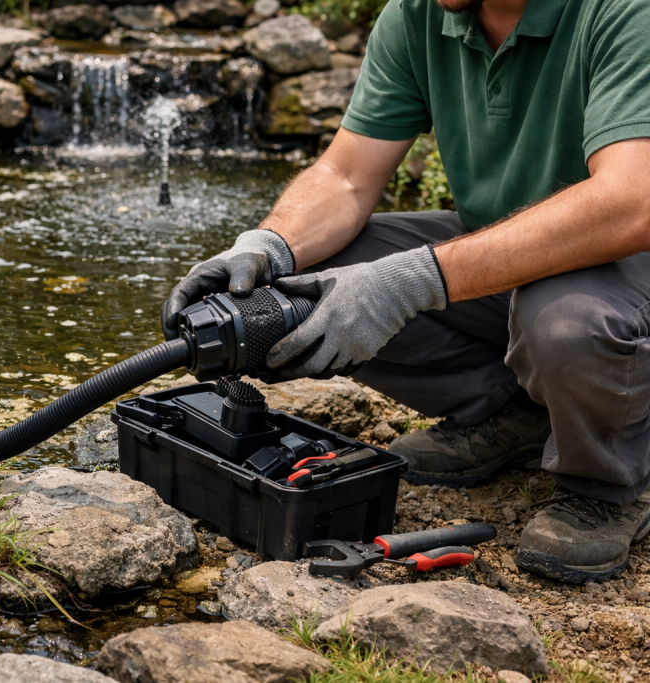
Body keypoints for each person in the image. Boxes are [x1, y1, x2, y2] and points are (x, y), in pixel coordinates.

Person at [161, 0, 650, 584]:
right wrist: (265, 248)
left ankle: (604, 483)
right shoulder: (419, 13)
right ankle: (511, 412)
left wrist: (409, 282)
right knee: (310, 277)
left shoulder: (624, 11)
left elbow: (630, 203)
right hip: (518, 266)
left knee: (566, 322)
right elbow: (346, 176)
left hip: (629, 267)